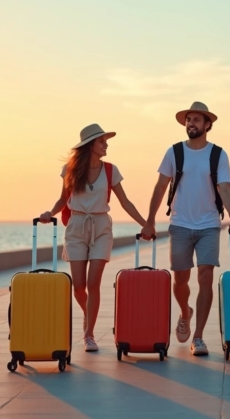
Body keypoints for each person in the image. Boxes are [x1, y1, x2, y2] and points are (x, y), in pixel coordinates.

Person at [140, 101, 230, 356]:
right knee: (180, 280)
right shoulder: (174, 152)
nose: (191, 124)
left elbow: (225, 187)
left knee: (205, 275)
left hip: (209, 224)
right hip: (179, 224)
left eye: (197, 120)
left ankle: (197, 337)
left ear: (208, 125)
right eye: (189, 120)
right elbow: (160, 187)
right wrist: (150, 220)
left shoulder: (218, 154)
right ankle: (185, 311)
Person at [39, 123, 147, 352]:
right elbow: (62, 200)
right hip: (77, 226)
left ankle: (89, 334)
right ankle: (88, 314)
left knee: (93, 283)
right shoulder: (69, 170)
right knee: (78, 286)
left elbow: (125, 202)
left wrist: (145, 223)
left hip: (101, 227)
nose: (106, 144)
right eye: (101, 141)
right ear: (90, 145)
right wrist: (50, 212)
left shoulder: (110, 170)